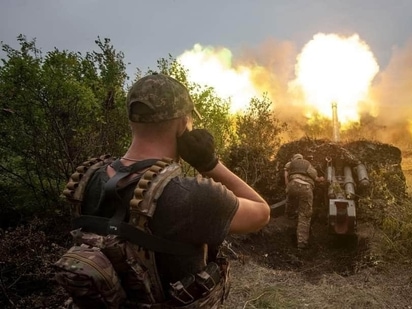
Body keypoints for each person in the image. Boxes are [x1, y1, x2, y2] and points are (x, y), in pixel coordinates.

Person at [67, 73, 270, 307]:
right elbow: (261, 212)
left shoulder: (88, 180)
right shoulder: (194, 196)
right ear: (184, 124)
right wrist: (210, 164)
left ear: (132, 121)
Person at [284, 153, 324, 249]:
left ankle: (289, 215)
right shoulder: (306, 164)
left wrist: (287, 186)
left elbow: (285, 174)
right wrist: (321, 179)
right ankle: (301, 243)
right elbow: (315, 177)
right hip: (306, 188)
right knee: (305, 215)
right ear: (302, 158)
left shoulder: (290, 163)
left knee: (290, 202)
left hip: (292, 185)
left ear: (293, 158)